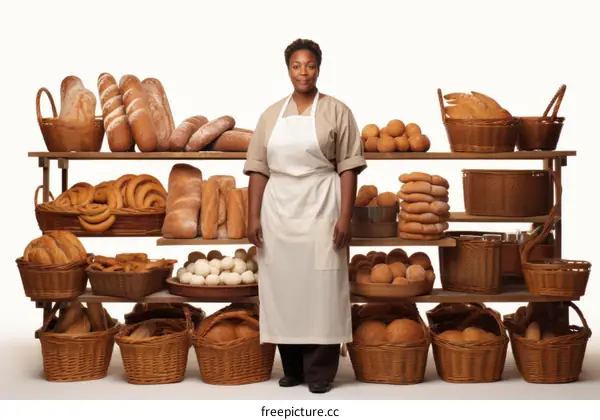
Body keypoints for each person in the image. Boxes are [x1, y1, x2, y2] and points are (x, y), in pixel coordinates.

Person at [243, 38, 367, 394]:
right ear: (288, 69)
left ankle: (320, 372)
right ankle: (293, 368)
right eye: (296, 66)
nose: (303, 72)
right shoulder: (270, 115)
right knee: (284, 288)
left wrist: (345, 216)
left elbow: (348, 168)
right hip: (278, 209)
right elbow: (257, 169)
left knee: (322, 289)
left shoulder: (337, 111)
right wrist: (253, 216)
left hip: (321, 205)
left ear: (319, 69)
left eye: (310, 65)